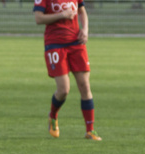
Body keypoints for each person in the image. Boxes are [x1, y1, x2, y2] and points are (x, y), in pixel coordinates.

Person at [33, 0, 101, 141]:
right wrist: (62, 14)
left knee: (85, 85)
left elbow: (82, 11)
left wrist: (85, 30)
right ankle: (53, 115)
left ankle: (90, 131)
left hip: (76, 42)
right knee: (64, 89)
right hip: (55, 44)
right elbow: (38, 18)